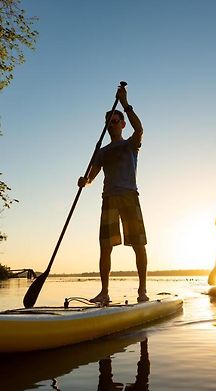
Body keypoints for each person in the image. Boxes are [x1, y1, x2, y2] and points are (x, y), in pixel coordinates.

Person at [78, 86, 148, 304]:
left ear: (122, 124)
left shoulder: (130, 144)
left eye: (115, 121)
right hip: (109, 198)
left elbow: (140, 129)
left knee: (138, 244)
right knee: (105, 246)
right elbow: (92, 176)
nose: (112, 125)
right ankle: (104, 292)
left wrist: (125, 104)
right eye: (109, 123)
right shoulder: (102, 151)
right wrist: (85, 181)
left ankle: (142, 291)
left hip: (129, 196)